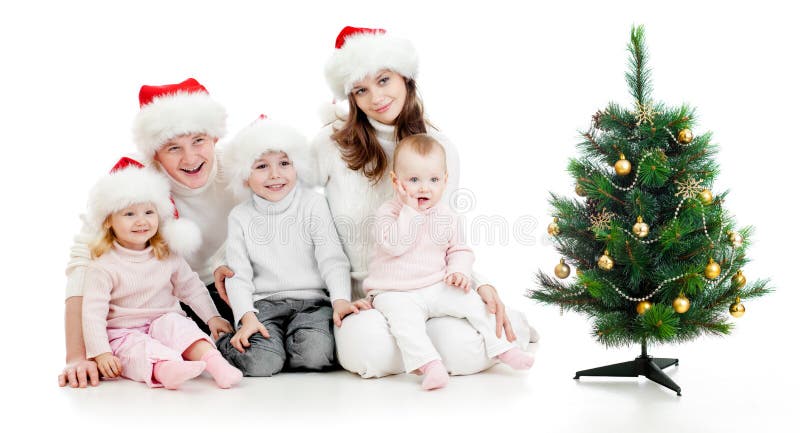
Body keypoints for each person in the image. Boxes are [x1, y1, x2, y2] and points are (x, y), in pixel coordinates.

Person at [311, 26, 539, 378]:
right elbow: (287, 199)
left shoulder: (439, 147)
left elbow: (445, 231)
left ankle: (503, 331)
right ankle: (423, 349)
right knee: (369, 352)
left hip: (433, 284)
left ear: (405, 77)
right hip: (370, 295)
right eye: (361, 89)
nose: (376, 97)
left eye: (384, 80)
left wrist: (480, 284)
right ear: (351, 97)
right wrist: (340, 296)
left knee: (460, 352)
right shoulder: (330, 144)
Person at [59, 78, 238, 387]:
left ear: (215, 138)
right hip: (167, 298)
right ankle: (162, 364)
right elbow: (83, 264)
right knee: (162, 336)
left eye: (199, 141)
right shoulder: (135, 188)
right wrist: (77, 355)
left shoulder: (242, 169)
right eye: (173, 148)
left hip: (231, 285)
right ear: (155, 154)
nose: (190, 158)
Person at [364, 134, 534, 390]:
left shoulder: (446, 215)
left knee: (474, 304)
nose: (424, 188)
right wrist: (410, 210)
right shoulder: (388, 213)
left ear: (445, 181)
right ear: (396, 182)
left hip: (435, 283)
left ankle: (504, 348)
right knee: (405, 323)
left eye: (433, 180)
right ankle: (430, 365)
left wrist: (459, 270)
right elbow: (395, 245)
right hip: (393, 290)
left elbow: (460, 250)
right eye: (413, 180)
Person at [215, 116, 369, 376]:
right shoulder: (240, 216)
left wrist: (340, 299)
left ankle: (283, 346)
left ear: (297, 166)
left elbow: (331, 257)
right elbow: (238, 274)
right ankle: (226, 345)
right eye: (261, 166)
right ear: (244, 176)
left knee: (315, 355)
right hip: (263, 304)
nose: (275, 174)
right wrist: (246, 317)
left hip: (312, 303)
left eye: (284, 163)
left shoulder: (313, 204)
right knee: (262, 363)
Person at [81, 158, 242, 389]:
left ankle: (216, 364)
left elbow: (190, 287)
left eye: (149, 212)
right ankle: (167, 369)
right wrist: (101, 352)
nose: (142, 221)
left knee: (182, 328)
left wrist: (212, 317)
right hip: (123, 332)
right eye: (129, 214)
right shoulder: (103, 266)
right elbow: (92, 313)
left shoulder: (167, 255)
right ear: (108, 221)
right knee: (138, 350)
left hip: (163, 319)